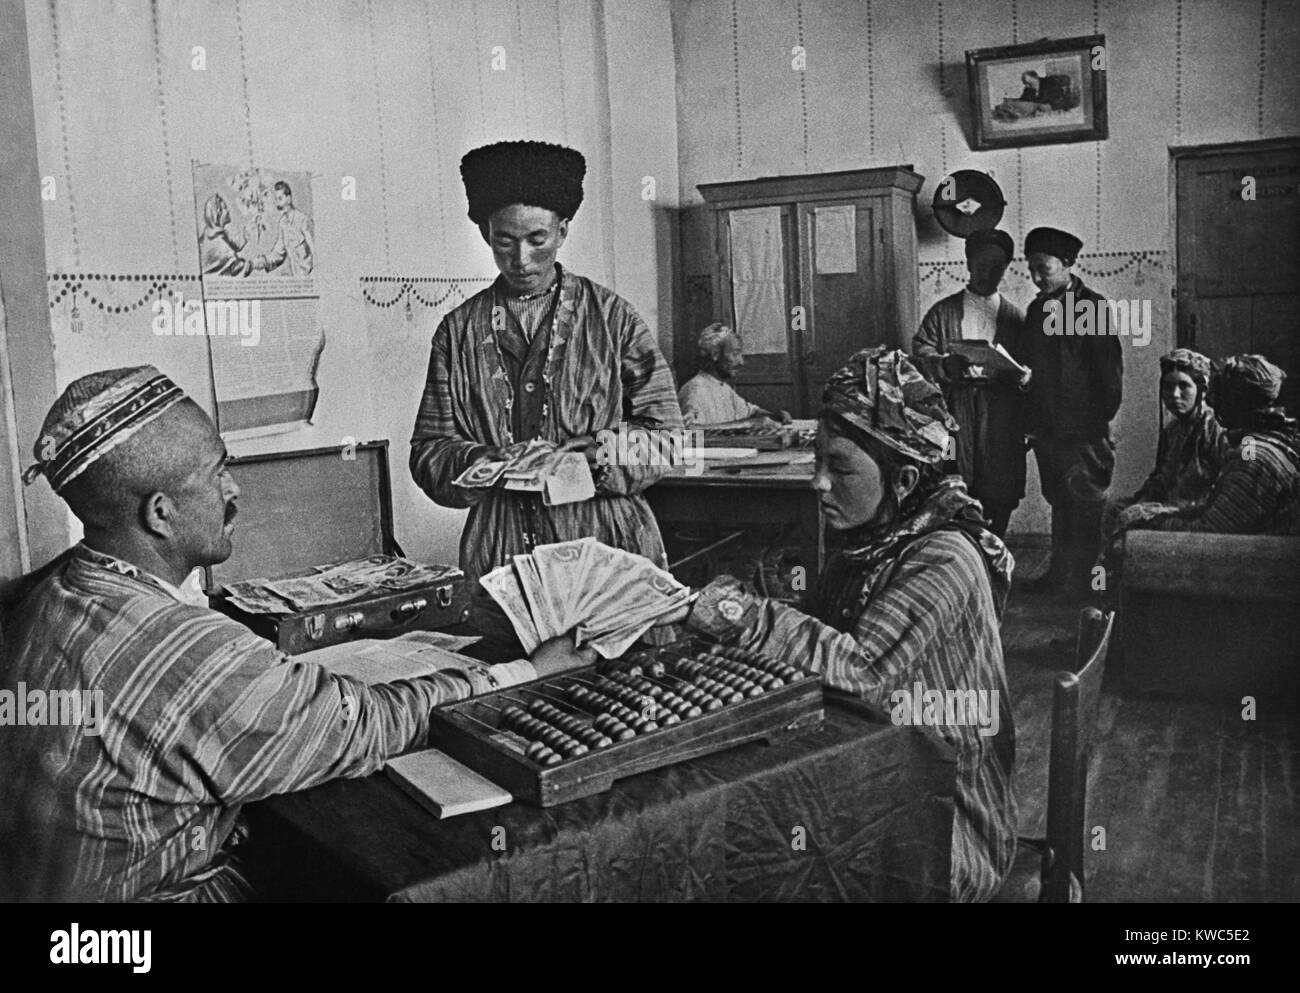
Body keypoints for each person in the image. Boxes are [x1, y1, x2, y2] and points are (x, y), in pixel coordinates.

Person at [1, 366, 588, 902]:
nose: (235, 490)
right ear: (160, 514)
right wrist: (527, 672)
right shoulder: (184, 652)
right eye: (218, 472)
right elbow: (363, 722)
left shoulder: (48, 592)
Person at [659, 348, 1018, 903]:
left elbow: (862, 669)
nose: (819, 483)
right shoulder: (873, 543)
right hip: (884, 775)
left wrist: (742, 615)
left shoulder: (945, 558)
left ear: (904, 478)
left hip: (945, 827)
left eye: (842, 467)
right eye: (817, 461)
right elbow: (818, 630)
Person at [410, 141, 683, 642]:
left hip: (607, 549)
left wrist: (599, 454)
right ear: (484, 233)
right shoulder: (457, 332)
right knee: (515, 696)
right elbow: (428, 452)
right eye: (503, 241)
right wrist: (488, 460)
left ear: (563, 230)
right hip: (502, 556)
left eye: (537, 238)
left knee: (622, 701)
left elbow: (668, 439)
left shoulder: (613, 319)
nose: (521, 259)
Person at [1019, 226, 1122, 597]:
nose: (1035, 277)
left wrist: (1097, 426)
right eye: (1030, 269)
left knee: (1088, 509)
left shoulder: (1090, 307)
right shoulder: (1036, 310)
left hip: (1083, 432)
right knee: (1060, 504)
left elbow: (1108, 376)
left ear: (1066, 264)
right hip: (1048, 431)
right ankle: (1061, 575)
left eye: (1043, 269)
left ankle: (1092, 585)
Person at [912, 228, 1029, 536]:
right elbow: (920, 356)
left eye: (996, 266)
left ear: (1005, 269)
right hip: (955, 413)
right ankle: (958, 557)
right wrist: (945, 365)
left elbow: (1029, 367)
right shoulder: (942, 312)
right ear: (968, 263)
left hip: (1001, 414)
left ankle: (994, 554)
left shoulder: (1015, 318)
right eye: (981, 264)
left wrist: (1022, 375)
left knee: (999, 488)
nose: (987, 272)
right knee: (952, 481)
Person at [1134, 355, 1300, 535]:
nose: (1213, 403)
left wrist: (1152, 524)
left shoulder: (1251, 454)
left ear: (1236, 402)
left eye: (1220, 396)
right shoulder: (1262, 441)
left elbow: (1210, 531)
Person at [1100, 348, 1229, 544]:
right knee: (1107, 511)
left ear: (1201, 390)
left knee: (1130, 517)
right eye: (1168, 387)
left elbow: (1225, 485)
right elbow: (1160, 477)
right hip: (1168, 503)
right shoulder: (1173, 430)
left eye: (1184, 386)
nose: (1174, 395)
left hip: (1196, 512)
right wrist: (1142, 500)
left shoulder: (1215, 430)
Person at [677, 323, 791, 428]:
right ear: (715, 354)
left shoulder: (723, 387)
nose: (741, 362)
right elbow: (690, 431)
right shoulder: (695, 390)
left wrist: (773, 415)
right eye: (735, 354)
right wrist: (749, 424)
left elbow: (751, 411)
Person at [264, 180, 315, 277]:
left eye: (280, 199)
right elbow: (279, 251)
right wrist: (265, 262)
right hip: (297, 278)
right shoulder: (283, 223)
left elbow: (316, 252)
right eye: (276, 199)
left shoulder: (302, 220)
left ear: (288, 199)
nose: (277, 204)